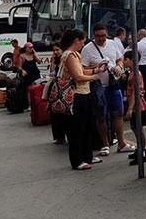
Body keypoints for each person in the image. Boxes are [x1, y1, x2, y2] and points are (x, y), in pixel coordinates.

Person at [81, 24, 134, 156]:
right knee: (101, 116)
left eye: (104, 36)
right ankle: (105, 144)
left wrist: (119, 67)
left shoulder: (112, 44)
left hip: (113, 84)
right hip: (98, 86)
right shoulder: (87, 49)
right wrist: (96, 68)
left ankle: (121, 143)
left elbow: (119, 59)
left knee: (118, 113)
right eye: (98, 36)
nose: (101, 39)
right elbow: (82, 69)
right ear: (94, 35)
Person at [59, 29, 105, 170]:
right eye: (82, 41)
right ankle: (77, 160)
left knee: (87, 127)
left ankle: (87, 156)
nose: (83, 45)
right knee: (78, 129)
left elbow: (81, 71)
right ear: (76, 40)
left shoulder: (75, 55)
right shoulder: (70, 55)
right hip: (77, 95)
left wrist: (96, 70)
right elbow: (78, 76)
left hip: (84, 93)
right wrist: (94, 77)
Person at [122, 51, 146, 166]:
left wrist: (130, 109)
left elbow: (134, 93)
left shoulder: (136, 73)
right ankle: (140, 149)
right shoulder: (131, 72)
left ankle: (142, 151)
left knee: (138, 129)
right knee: (135, 128)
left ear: (131, 60)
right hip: (135, 104)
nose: (123, 61)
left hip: (138, 105)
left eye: (125, 59)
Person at [10, 42, 41, 114]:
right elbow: (19, 67)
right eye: (30, 47)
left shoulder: (33, 55)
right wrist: (22, 71)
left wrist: (35, 53)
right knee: (29, 90)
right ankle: (30, 105)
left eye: (32, 47)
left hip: (35, 73)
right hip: (27, 74)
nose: (31, 49)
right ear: (26, 48)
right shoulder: (22, 56)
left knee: (37, 88)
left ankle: (37, 103)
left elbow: (39, 61)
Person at [48, 44, 69, 145]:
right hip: (56, 88)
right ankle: (59, 136)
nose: (55, 52)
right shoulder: (56, 60)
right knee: (56, 113)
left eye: (57, 50)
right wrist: (52, 60)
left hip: (66, 89)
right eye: (54, 50)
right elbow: (51, 72)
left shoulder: (67, 59)